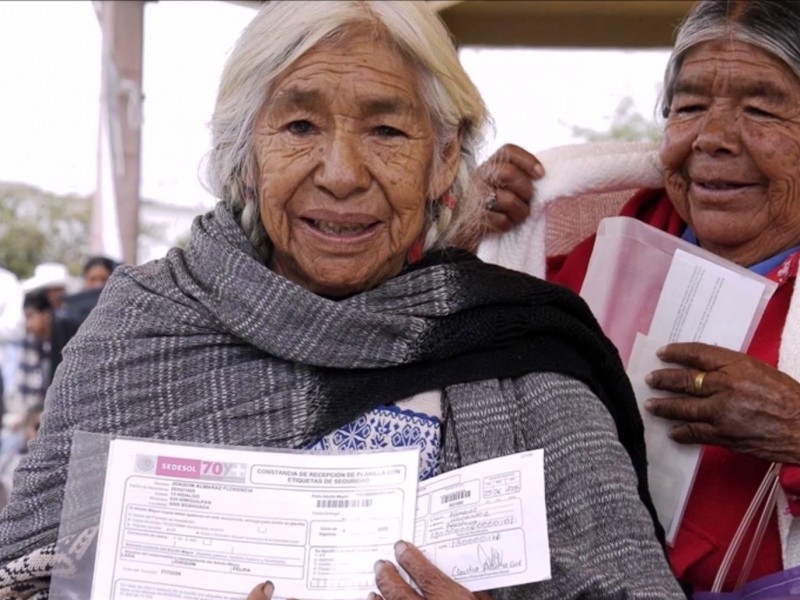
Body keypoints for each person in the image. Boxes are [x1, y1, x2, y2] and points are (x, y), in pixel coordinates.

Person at [0, 2, 683, 598]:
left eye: (387, 131)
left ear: (444, 158)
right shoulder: (142, 331)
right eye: (299, 127)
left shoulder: (519, 349)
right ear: (246, 153)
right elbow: (23, 578)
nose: (342, 174)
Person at [479, 0, 800, 593]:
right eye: (690, 107)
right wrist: (470, 225)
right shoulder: (609, 257)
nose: (713, 138)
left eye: (760, 109)